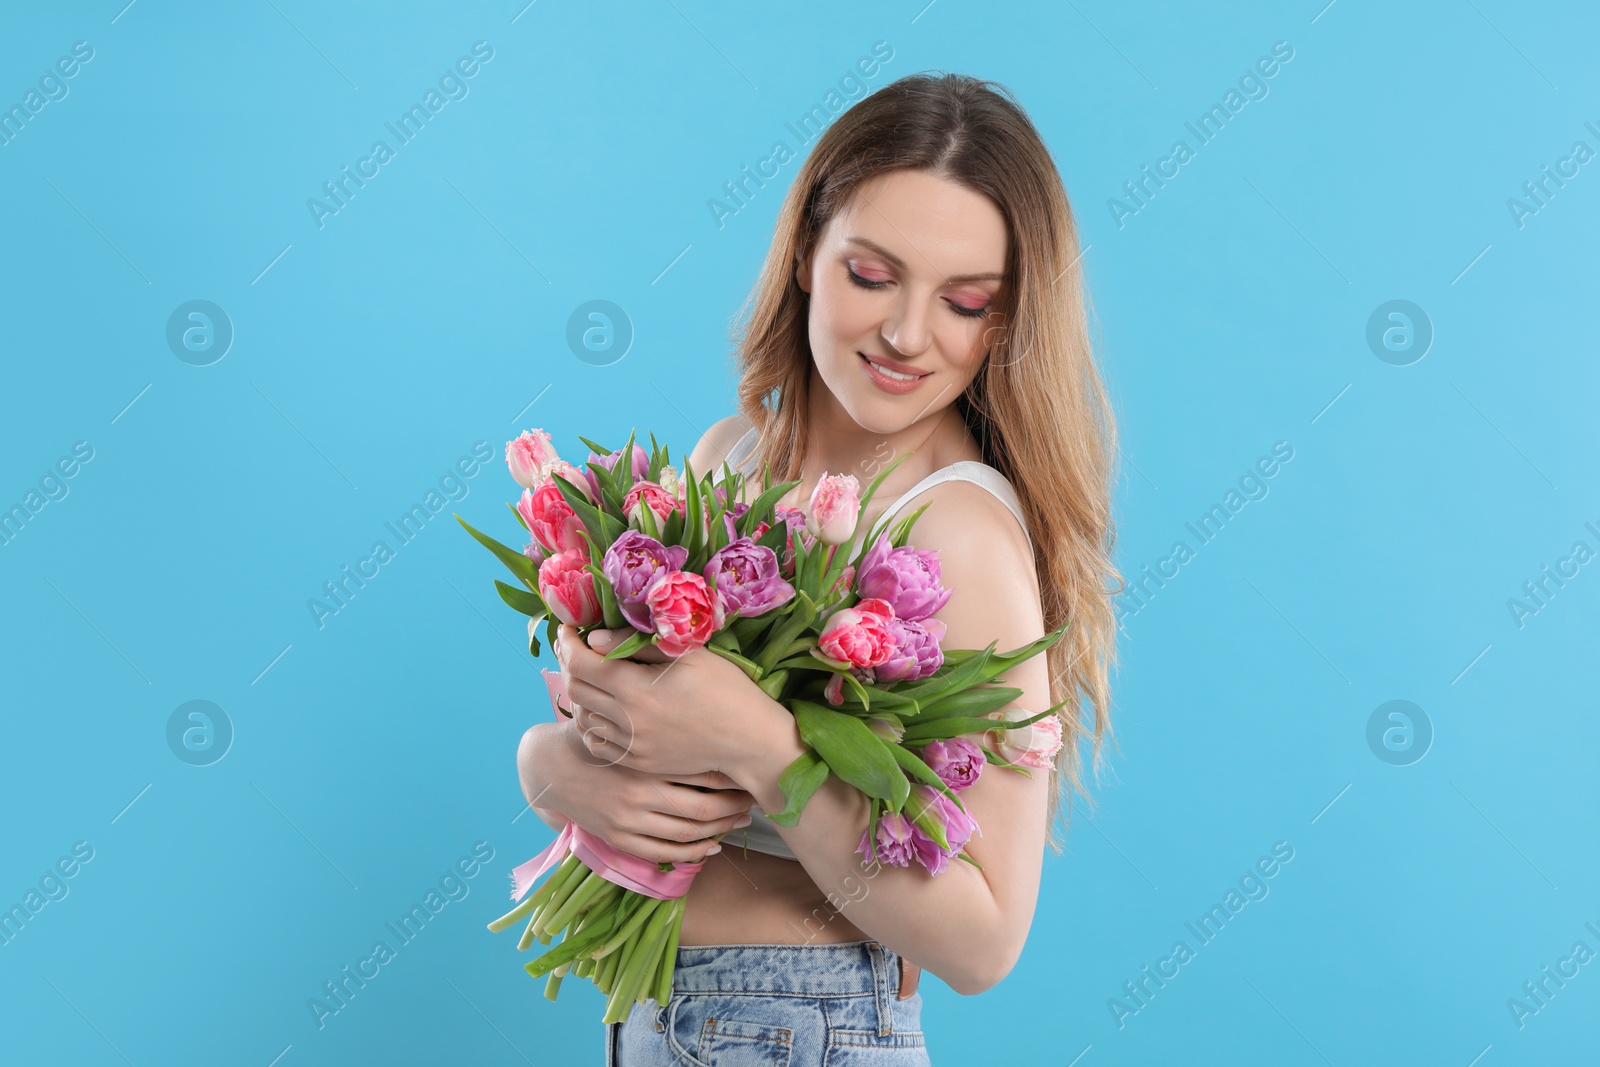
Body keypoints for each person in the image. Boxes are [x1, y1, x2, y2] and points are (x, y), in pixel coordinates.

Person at [517, 71, 1123, 1065]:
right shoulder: (728, 463)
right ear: (805, 251)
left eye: (965, 301)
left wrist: (764, 743)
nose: (906, 334)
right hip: (662, 1012)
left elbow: (985, 937)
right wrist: (552, 769)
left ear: (1005, 321)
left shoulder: (957, 532)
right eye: (873, 275)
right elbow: (635, 730)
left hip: (805, 1022)